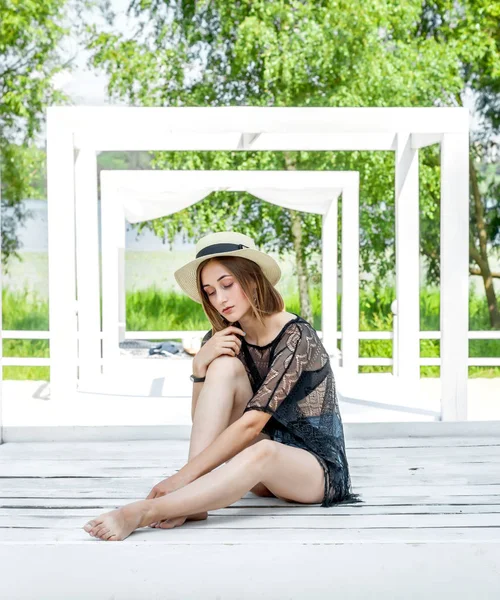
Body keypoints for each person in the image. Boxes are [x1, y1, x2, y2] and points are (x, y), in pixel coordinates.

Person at [83, 231, 361, 541]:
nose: (220, 299)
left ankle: (143, 512)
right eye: (211, 291)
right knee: (224, 365)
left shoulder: (297, 337)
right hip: (259, 476)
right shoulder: (224, 337)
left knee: (266, 450)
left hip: (314, 472)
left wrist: (178, 480)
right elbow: (204, 419)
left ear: (252, 280)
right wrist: (199, 369)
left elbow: (251, 425)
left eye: (227, 285)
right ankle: (192, 500)